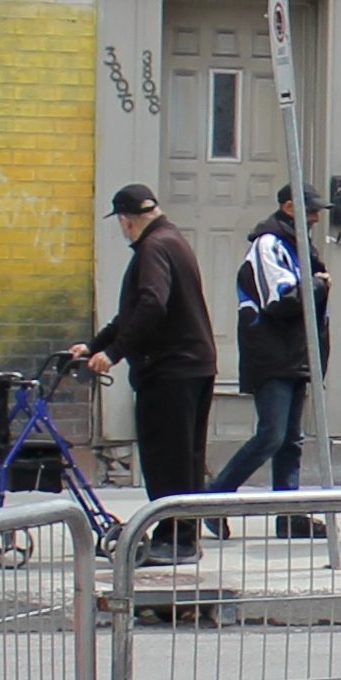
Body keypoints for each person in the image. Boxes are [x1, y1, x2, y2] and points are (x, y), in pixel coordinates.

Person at [79, 185, 221, 559]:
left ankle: (177, 539)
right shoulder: (172, 240)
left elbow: (151, 305)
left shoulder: (153, 248)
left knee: (166, 459)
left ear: (126, 220)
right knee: (186, 456)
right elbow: (131, 313)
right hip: (193, 365)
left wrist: (114, 353)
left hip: (169, 369)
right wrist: (94, 346)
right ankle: (180, 533)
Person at [196, 189, 327, 539]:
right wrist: (317, 285)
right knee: (272, 435)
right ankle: (215, 497)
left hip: (294, 354)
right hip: (272, 355)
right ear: (289, 207)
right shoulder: (268, 244)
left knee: (291, 440)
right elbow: (279, 301)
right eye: (311, 211)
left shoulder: (298, 246)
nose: (316, 218)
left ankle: (289, 515)